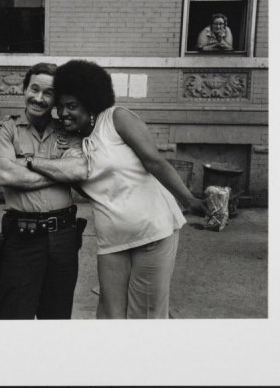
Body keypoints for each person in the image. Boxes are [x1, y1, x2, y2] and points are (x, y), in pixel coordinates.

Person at [33, 60, 208, 319]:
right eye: (60, 107)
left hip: (152, 232)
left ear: (91, 103)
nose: (64, 113)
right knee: (109, 316)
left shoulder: (116, 119)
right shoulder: (72, 144)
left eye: (72, 106)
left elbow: (155, 162)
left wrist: (189, 199)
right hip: (112, 240)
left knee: (145, 315)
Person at [0, 63, 88, 320]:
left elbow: (78, 171)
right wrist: (59, 173)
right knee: (14, 318)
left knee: (57, 318)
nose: (39, 98)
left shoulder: (68, 130)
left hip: (63, 238)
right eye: (34, 89)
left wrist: (28, 163)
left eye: (48, 93)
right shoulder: (7, 128)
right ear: (24, 90)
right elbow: (5, 174)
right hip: (21, 240)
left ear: (56, 98)